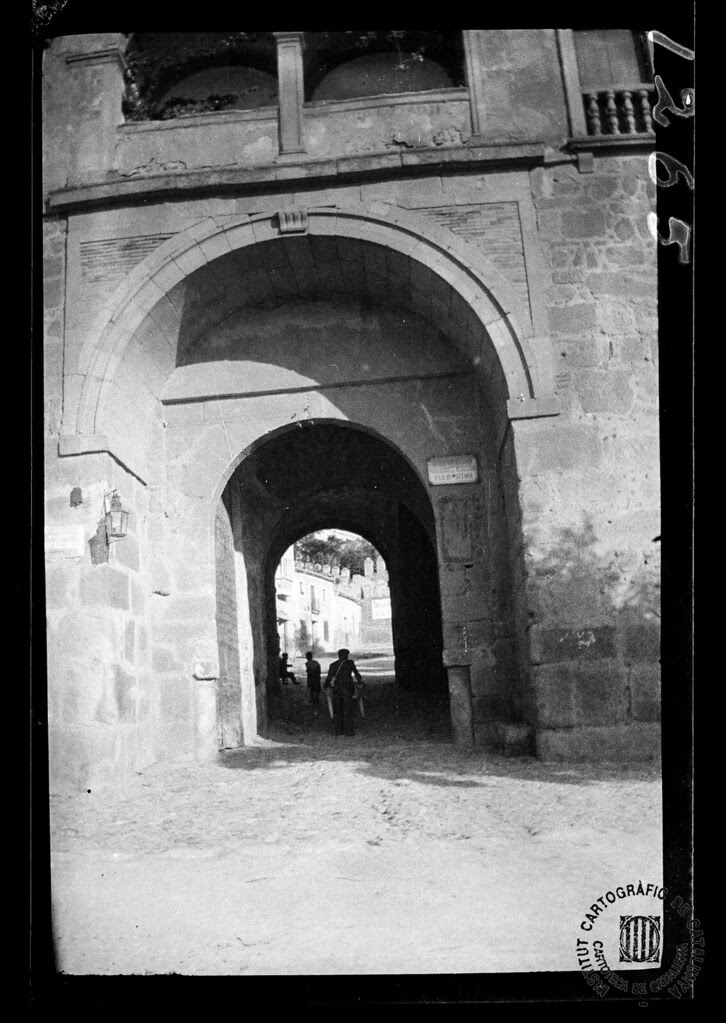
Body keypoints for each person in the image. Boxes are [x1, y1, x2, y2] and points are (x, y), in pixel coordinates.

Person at [324, 648, 363, 736]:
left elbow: (329, 678)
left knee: (338, 709)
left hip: (337, 689)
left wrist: (326, 685)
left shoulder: (333, 665)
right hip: (348, 688)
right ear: (346, 655)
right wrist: (360, 682)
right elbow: (356, 674)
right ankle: (349, 731)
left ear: (338, 655)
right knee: (348, 709)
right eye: (347, 655)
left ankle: (338, 730)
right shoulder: (350, 663)